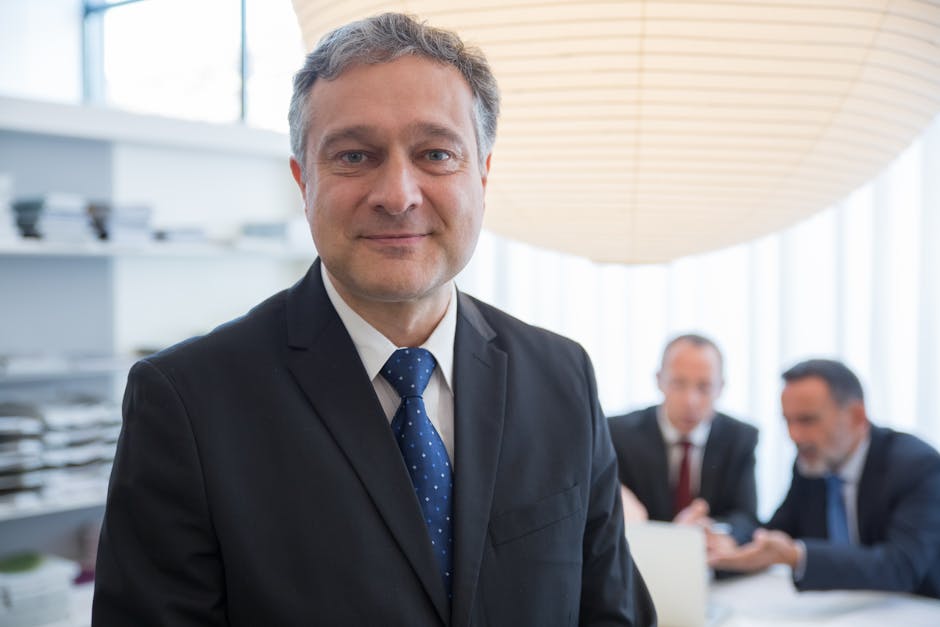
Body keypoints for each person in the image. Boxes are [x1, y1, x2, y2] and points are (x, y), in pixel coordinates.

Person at [91, 12, 655, 626]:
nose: (398, 194)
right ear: (303, 181)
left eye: (436, 153)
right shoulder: (187, 402)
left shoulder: (562, 374)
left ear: (483, 176)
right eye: (355, 156)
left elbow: (612, 614)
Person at [710, 359, 940, 598]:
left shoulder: (916, 466)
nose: (794, 435)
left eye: (807, 420)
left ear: (856, 416)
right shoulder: (812, 464)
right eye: (788, 421)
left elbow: (901, 566)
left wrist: (799, 556)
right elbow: (775, 532)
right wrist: (725, 539)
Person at [608, 334, 759, 547]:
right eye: (679, 384)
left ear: (721, 387)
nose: (691, 400)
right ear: (659, 380)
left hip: (708, 563)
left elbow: (746, 517)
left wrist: (715, 531)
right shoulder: (617, 434)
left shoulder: (740, 437)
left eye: (704, 387)